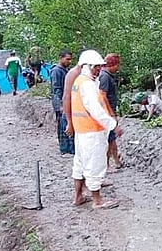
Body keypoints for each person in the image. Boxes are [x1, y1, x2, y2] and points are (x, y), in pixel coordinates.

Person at [71, 50, 122, 209]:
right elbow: (95, 110)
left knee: (80, 164)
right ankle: (97, 200)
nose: (99, 69)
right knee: (95, 165)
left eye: (100, 67)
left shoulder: (79, 81)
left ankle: (78, 196)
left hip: (82, 131)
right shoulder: (87, 84)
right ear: (88, 66)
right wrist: (112, 125)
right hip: (92, 131)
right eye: (96, 67)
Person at [99, 53, 122, 169]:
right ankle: (106, 164)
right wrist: (111, 114)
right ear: (112, 65)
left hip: (109, 110)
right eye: (117, 65)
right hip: (107, 112)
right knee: (109, 138)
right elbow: (103, 96)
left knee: (112, 138)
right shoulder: (105, 77)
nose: (118, 68)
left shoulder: (106, 75)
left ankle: (116, 161)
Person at [50, 49, 74, 155]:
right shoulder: (57, 71)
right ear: (61, 58)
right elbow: (56, 89)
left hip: (65, 102)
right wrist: (60, 105)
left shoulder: (64, 70)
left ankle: (69, 147)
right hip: (60, 103)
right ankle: (65, 149)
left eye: (70, 59)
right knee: (62, 126)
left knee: (66, 125)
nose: (69, 61)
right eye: (67, 59)